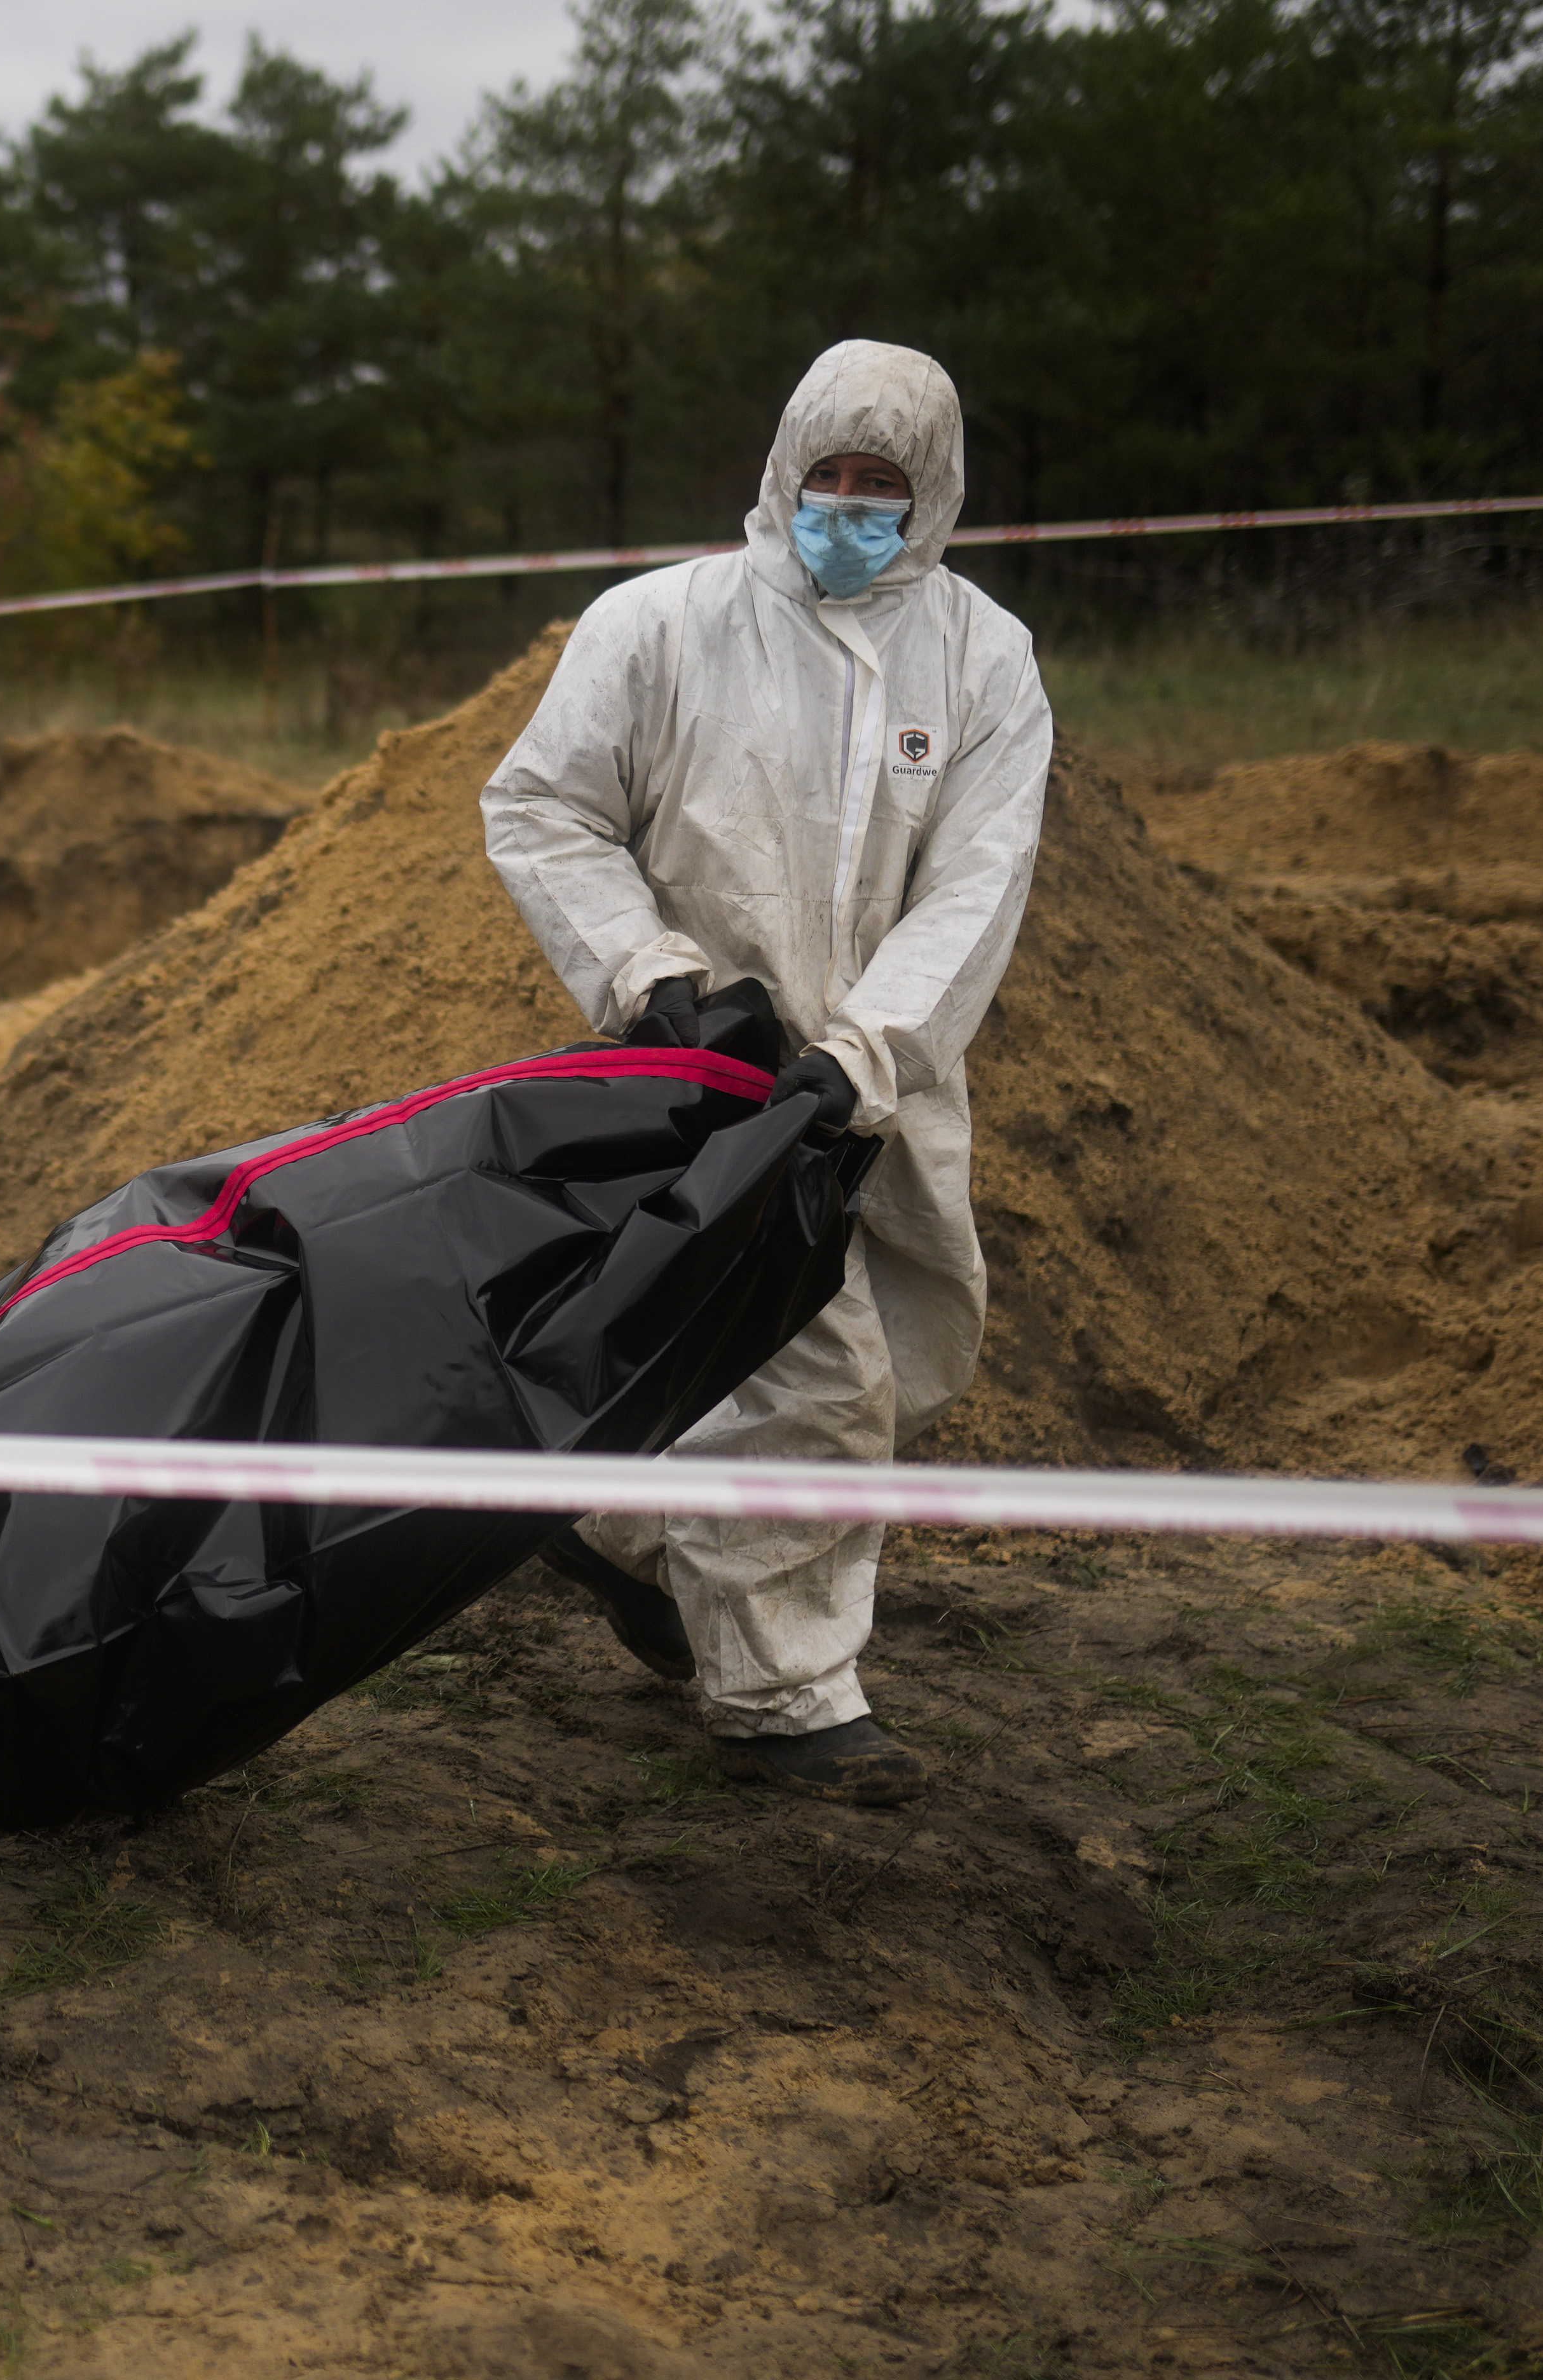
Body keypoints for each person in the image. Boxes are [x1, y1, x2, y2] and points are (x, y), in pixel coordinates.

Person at [480, 339, 1052, 1808]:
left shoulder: (984, 658)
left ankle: (622, 1535)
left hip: (880, 1081)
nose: (848, 510)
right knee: (828, 1373)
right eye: (829, 478)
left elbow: (977, 885)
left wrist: (863, 1055)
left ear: (933, 501)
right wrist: (654, 978)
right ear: (783, 470)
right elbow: (542, 810)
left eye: (884, 488)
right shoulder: (659, 627)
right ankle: (789, 1696)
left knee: (919, 1343)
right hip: (697, 1076)